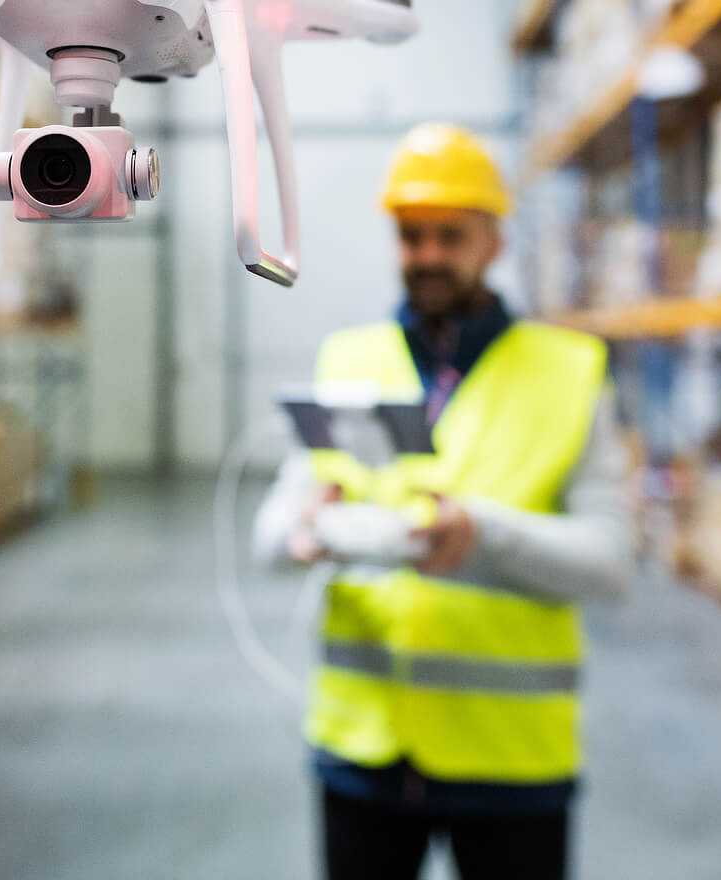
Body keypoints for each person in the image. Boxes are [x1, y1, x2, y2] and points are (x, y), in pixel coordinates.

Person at [254, 122, 632, 880]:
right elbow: (269, 538)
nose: (427, 255)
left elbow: (612, 568)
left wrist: (484, 531)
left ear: (494, 240)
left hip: (511, 760)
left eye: (448, 236)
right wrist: (303, 530)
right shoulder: (348, 360)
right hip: (362, 751)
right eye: (411, 235)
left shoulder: (570, 372)